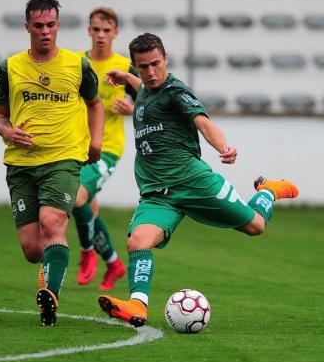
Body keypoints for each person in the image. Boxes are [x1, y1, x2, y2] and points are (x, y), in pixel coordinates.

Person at [98, 33, 299, 327]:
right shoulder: (144, 87)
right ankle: (137, 306)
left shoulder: (176, 91)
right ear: (136, 66)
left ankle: (268, 191)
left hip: (193, 183)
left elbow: (203, 123)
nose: (151, 72)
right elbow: (141, 85)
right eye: (143, 67)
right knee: (137, 242)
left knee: (255, 226)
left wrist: (223, 147)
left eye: (156, 64)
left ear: (165, 58)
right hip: (157, 194)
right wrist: (126, 77)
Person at [0, 0, 104, 326]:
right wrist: (7, 132)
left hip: (64, 158)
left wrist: (95, 140)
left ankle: (49, 300)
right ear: (27, 26)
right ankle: (51, 270)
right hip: (21, 163)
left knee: (52, 224)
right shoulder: (9, 68)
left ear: (59, 26)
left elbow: (95, 104)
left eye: (51, 25)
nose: (45, 31)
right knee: (32, 249)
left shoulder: (77, 65)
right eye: (38, 25)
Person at [73, 7, 138, 291]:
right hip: (75, 148)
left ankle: (87, 253)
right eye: (96, 29)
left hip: (107, 148)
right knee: (88, 210)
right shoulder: (75, 63)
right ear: (89, 31)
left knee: (75, 200)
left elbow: (151, 106)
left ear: (115, 33)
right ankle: (113, 263)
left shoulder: (125, 66)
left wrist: (132, 108)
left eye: (106, 30)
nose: (101, 35)